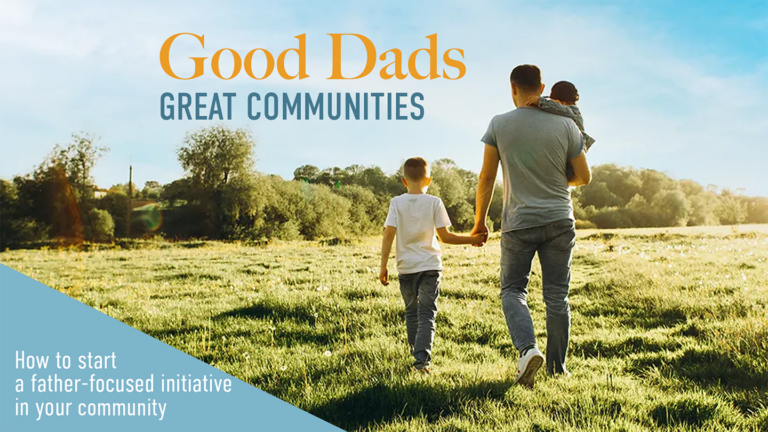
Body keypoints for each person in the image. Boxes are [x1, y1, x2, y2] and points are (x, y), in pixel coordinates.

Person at [471, 65, 592, 387]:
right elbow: (584, 177)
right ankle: (557, 368)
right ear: (541, 87)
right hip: (559, 218)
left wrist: (479, 222)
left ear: (512, 88)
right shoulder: (567, 124)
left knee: (512, 290)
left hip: (518, 222)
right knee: (557, 296)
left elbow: (486, 178)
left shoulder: (499, 124)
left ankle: (527, 351)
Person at [379, 157, 487, 373]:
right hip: (430, 267)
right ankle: (421, 362)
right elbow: (445, 237)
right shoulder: (434, 202)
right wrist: (472, 239)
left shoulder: (396, 203)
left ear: (404, 181)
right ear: (428, 179)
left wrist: (383, 266)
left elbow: (388, 234)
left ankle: (416, 355)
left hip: (405, 268)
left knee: (412, 313)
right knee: (427, 314)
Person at [527, 80, 595, 180]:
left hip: (571, 160)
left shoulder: (571, 111)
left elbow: (558, 108)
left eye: (553, 102)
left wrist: (539, 102)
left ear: (559, 103)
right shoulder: (568, 112)